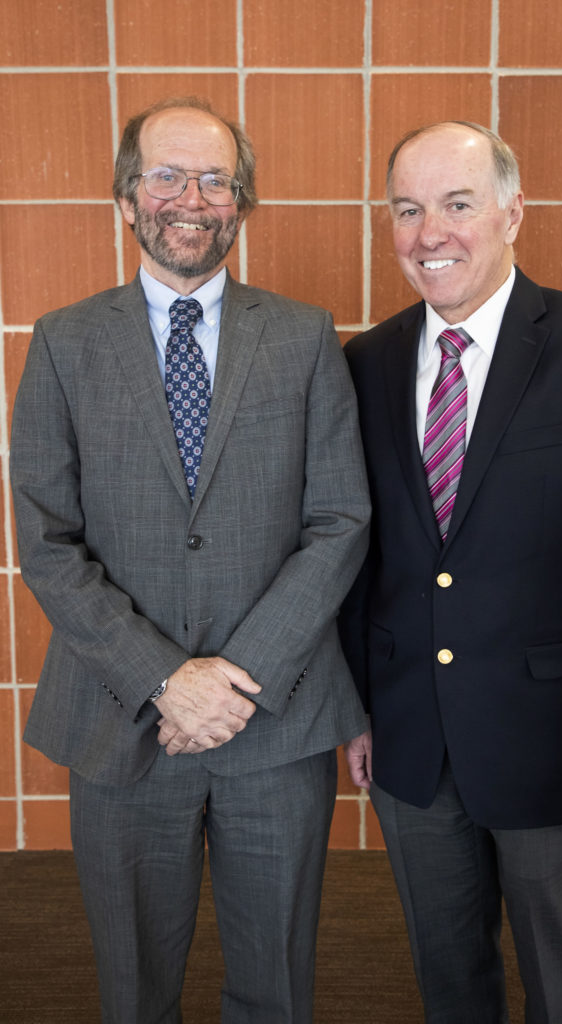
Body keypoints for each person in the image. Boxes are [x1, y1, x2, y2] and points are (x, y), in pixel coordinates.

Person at [11, 96, 371, 1024]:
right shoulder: (63, 342)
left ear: (241, 203)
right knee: (133, 989)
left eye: (216, 180)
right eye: (166, 176)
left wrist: (233, 680)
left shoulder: (301, 336)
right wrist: (165, 678)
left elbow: (340, 521)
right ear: (127, 197)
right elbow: (46, 543)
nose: (191, 198)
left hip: (274, 722)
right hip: (119, 716)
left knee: (277, 984)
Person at [340, 121, 562, 1024]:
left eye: (456, 204)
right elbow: (358, 554)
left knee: (558, 980)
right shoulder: (363, 363)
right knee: (446, 975)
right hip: (408, 735)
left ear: (512, 213)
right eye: (406, 210)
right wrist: (357, 708)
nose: (428, 233)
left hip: (547, 739)